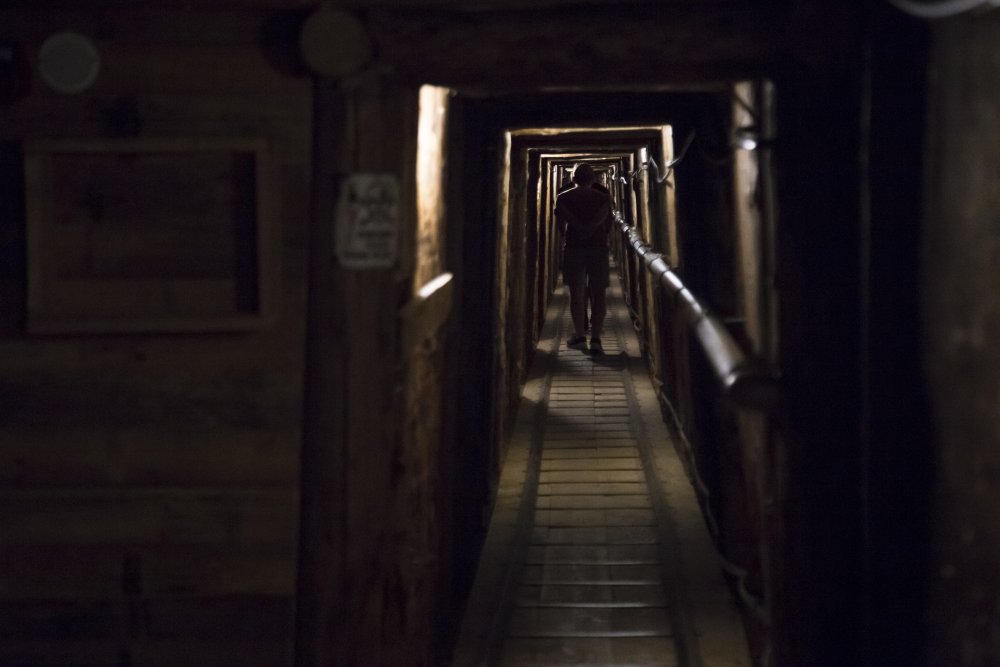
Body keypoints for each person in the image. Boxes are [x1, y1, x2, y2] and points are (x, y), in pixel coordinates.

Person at [554, 163, 613, 354]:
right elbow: (605, 221)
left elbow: (561, 223)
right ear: (593, 179)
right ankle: (596, 339)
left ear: (573, 178)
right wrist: (591, 230)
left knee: (577, 294)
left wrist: (577, 230)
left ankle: (580, 336)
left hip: (574, 247)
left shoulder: (563, 198)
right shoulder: (603, 198)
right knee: (599, 294)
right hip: (598, 247)